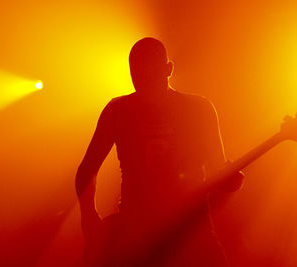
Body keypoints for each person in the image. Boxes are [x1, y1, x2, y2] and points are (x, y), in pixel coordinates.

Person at [75, 37, 244, 266]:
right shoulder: (117, 111)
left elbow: (218, 169)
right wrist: (89, 220)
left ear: (168, 69)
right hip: (136, 232)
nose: (144, 82)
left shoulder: (199, 110)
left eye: (151, 74)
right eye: (137, 76)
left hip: (190, 230)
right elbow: (87, 169)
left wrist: (230, 180)